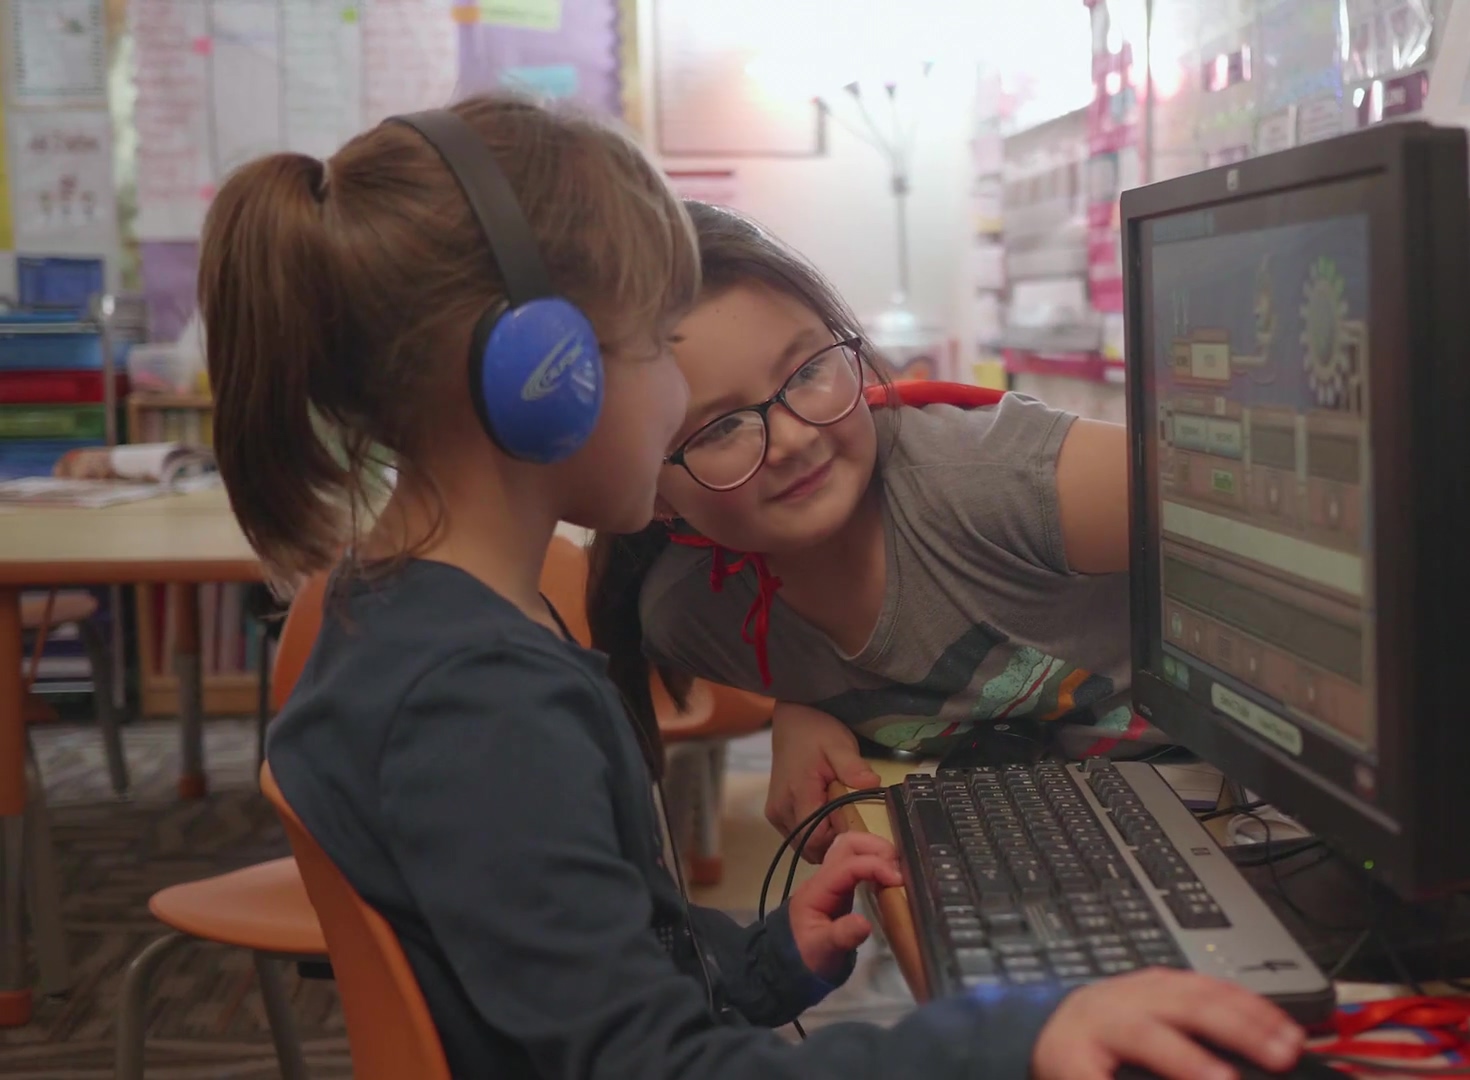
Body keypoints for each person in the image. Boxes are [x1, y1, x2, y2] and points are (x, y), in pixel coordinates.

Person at [214, 94, 1305, 1080]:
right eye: (657, 349)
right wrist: (1012, 1040)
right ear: (542, 379)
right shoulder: (472, 704)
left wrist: (765, 957)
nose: (691, 396)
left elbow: (580, 981)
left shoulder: (415, 624)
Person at [589, 203, 1157, 862]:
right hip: (1066, 855)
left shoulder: (995, 480)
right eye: (721, 428)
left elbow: (1249, 514)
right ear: (650, 489)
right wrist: (802, 709)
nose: (795, 438)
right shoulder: (694, 619)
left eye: (806, 372)